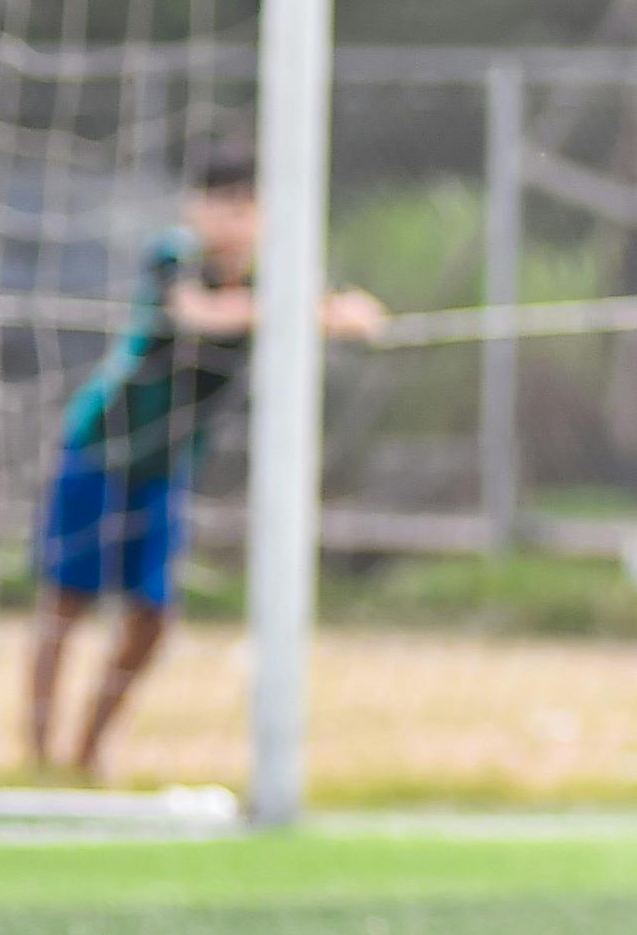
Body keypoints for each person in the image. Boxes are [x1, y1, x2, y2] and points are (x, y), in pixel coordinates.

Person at [25, 136, 389, 780]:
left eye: (247, 207)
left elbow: (345, 312)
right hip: (103, 446)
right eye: (219, 206)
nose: (232, 221)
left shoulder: (280, 270)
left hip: (166, 466)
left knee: (154, 614)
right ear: (194, 209)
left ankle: (88, 750)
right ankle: (35, 750)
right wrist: (312, 315)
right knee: (67, 600)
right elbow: (204, 315)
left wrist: (336, 312)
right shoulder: (174, 257)